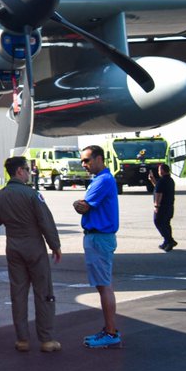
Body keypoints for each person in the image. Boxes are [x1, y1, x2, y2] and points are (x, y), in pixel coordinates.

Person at [0, 156, 62, 353]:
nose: (29, 173)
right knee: (44, 292)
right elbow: (45, 221)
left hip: (13, 245)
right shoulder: (32, 195)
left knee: (18, 293)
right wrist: (55, 245)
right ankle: (46, 339)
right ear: (20, 171)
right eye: (27, 169)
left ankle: (22, 339)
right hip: (34, 246)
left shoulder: (0, 196)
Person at [74, 145, 122, 349]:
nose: (84, 164)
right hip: (100, 237)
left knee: (104, 286)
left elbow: (83, 205)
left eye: (87, 160)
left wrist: (78, 204)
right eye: (82, 161)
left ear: (99, 158)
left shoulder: (102, 180)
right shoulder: (101, 180)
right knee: (104, 285)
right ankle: (109, 330)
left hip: (99, 237)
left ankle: (111, 333)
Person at [152, 163, 176, 251]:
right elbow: (158, 187)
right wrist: (152, 180)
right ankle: (167, 241)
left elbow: (159, 193)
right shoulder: (170, 180)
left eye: (159, 170)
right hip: (170, 206)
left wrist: (156, 206)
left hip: (162, 207)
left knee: (158, 222)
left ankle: (169, 240)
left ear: (162, 171)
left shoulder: (162, 181)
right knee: (166, 224)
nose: (158, 171)